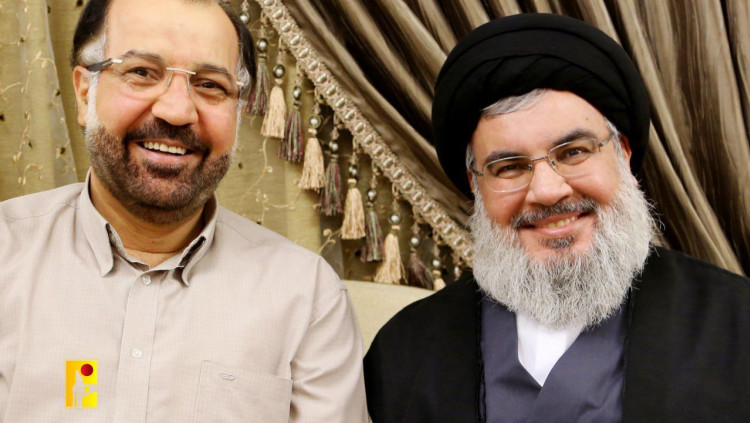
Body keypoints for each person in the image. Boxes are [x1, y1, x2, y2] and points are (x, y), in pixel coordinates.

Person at [364, 13, 750, 423]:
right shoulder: (403, 352)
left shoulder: (737, 326)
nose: (547, 191)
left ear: (623, 154)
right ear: (476, 185)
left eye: (573, 153)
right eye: (509, 167)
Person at [0, 0, 369, 421]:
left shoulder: (306, 296)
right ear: (86, 93)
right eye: (142, 72)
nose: (176, 111)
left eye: (211, 85)